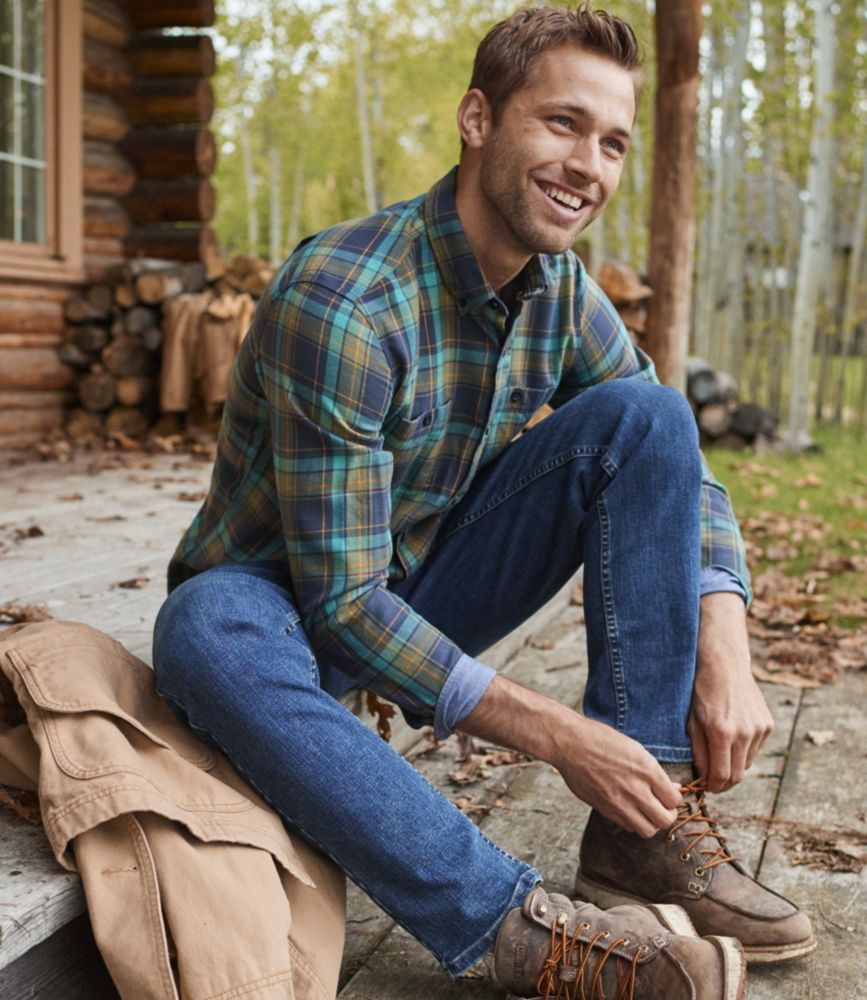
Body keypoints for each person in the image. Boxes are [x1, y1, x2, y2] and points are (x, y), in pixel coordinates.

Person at [153, 6, 815, 996]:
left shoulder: (560, 287)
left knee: (650, 415)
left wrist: (727, 634)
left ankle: (646, 829)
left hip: (423, 587)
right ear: (477, 118)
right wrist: (558, 734)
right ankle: (520, 930)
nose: (587, 164)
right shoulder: (346, 299)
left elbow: (676, 461)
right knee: (199, 627)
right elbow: (339, 605)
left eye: (612, 142)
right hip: (285, 616)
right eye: (561, 123)